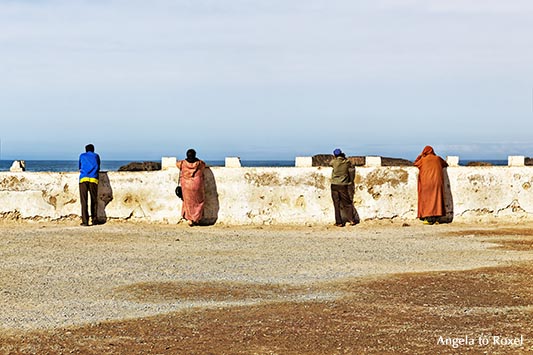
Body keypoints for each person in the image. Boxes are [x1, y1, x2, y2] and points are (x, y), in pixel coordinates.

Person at [414, 145, 448, 224]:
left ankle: (428, 218)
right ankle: (437, 217)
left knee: (427, 200)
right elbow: (445, 164)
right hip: (437, 182)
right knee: (437, 199)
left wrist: (421, 155)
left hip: (426, 183)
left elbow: (415, 163)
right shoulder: (438, 158)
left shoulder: (423, 160)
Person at [176, 149, 206, 226]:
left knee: (188, 202)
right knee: (198, 202)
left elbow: (177, 164)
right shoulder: (199, 163)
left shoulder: (182, 163)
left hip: (186, 185)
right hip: (197, 184)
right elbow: (204, 165)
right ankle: (196, 219)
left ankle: (189, 219)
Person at [330, 148, 357, 227]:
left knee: (336, 204)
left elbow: (330, 163)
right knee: (347, 203)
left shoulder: (334, 162)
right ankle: (351, 220)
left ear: (334, 155)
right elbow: (351, 166)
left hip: (334, 185)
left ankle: (339, 222)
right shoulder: (347, 162)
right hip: (343, 185)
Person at [79, 144, 101, 226]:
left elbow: (80, 167)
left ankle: (85, 221)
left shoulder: (82, 156)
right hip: (93, 179)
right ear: (93, 149)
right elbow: (98, 167)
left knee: (84, 201)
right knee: (94, 200)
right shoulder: (96, 156)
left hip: (83, 179)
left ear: (85, 150)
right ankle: (94, 220)